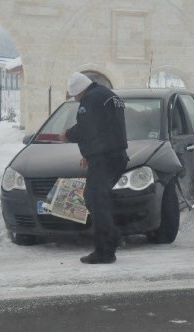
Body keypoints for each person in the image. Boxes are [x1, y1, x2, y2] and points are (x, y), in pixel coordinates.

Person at [60, 72, 128, 264]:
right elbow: (106, 129)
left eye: (75, 96)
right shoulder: (109, 95)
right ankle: (112, 237)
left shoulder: (90, 100)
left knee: (98, 203)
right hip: (116, 156)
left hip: (104, 159)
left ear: (79, 90)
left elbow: (86, 128)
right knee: (96, 198)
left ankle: (105, 251)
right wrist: (90, 154)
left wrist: (68, 135)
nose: (75, 99)